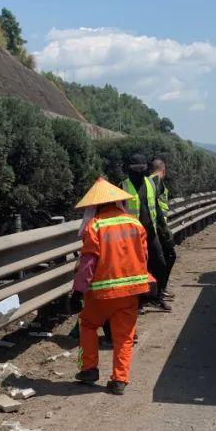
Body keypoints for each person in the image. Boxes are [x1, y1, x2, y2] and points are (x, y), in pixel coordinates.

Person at [69, 177, 151, 395]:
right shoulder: (135, 223)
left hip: (101, 294)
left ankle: (89, 370)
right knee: (124, 336)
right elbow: (144, 256)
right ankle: (119, 380)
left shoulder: (94, 226)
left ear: (95, 205)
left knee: (87, 324)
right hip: (131, 292)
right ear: (117, 202)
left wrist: (77, 291)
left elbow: (87, 264)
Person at [122, 154, 170, 312]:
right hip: (132, 238)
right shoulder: (122, 186)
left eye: (142, 169)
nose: (139, 173)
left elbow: (155, 206)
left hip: (151, 233)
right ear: (129, 170)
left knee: (161, 264)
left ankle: (157, 297)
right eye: (135, 170)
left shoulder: (150, 183)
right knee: (136, 270)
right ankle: (139, 301)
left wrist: (164, 229)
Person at [150, 157, 177, 301]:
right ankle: (159, 291)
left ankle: (160, 290)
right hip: (157, 228)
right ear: (163, 170)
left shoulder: (149, 181)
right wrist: (165, 230)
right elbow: (157, 207)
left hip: (155, 228)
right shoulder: (155, 181)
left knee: (162, 259)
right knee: (169, 257)